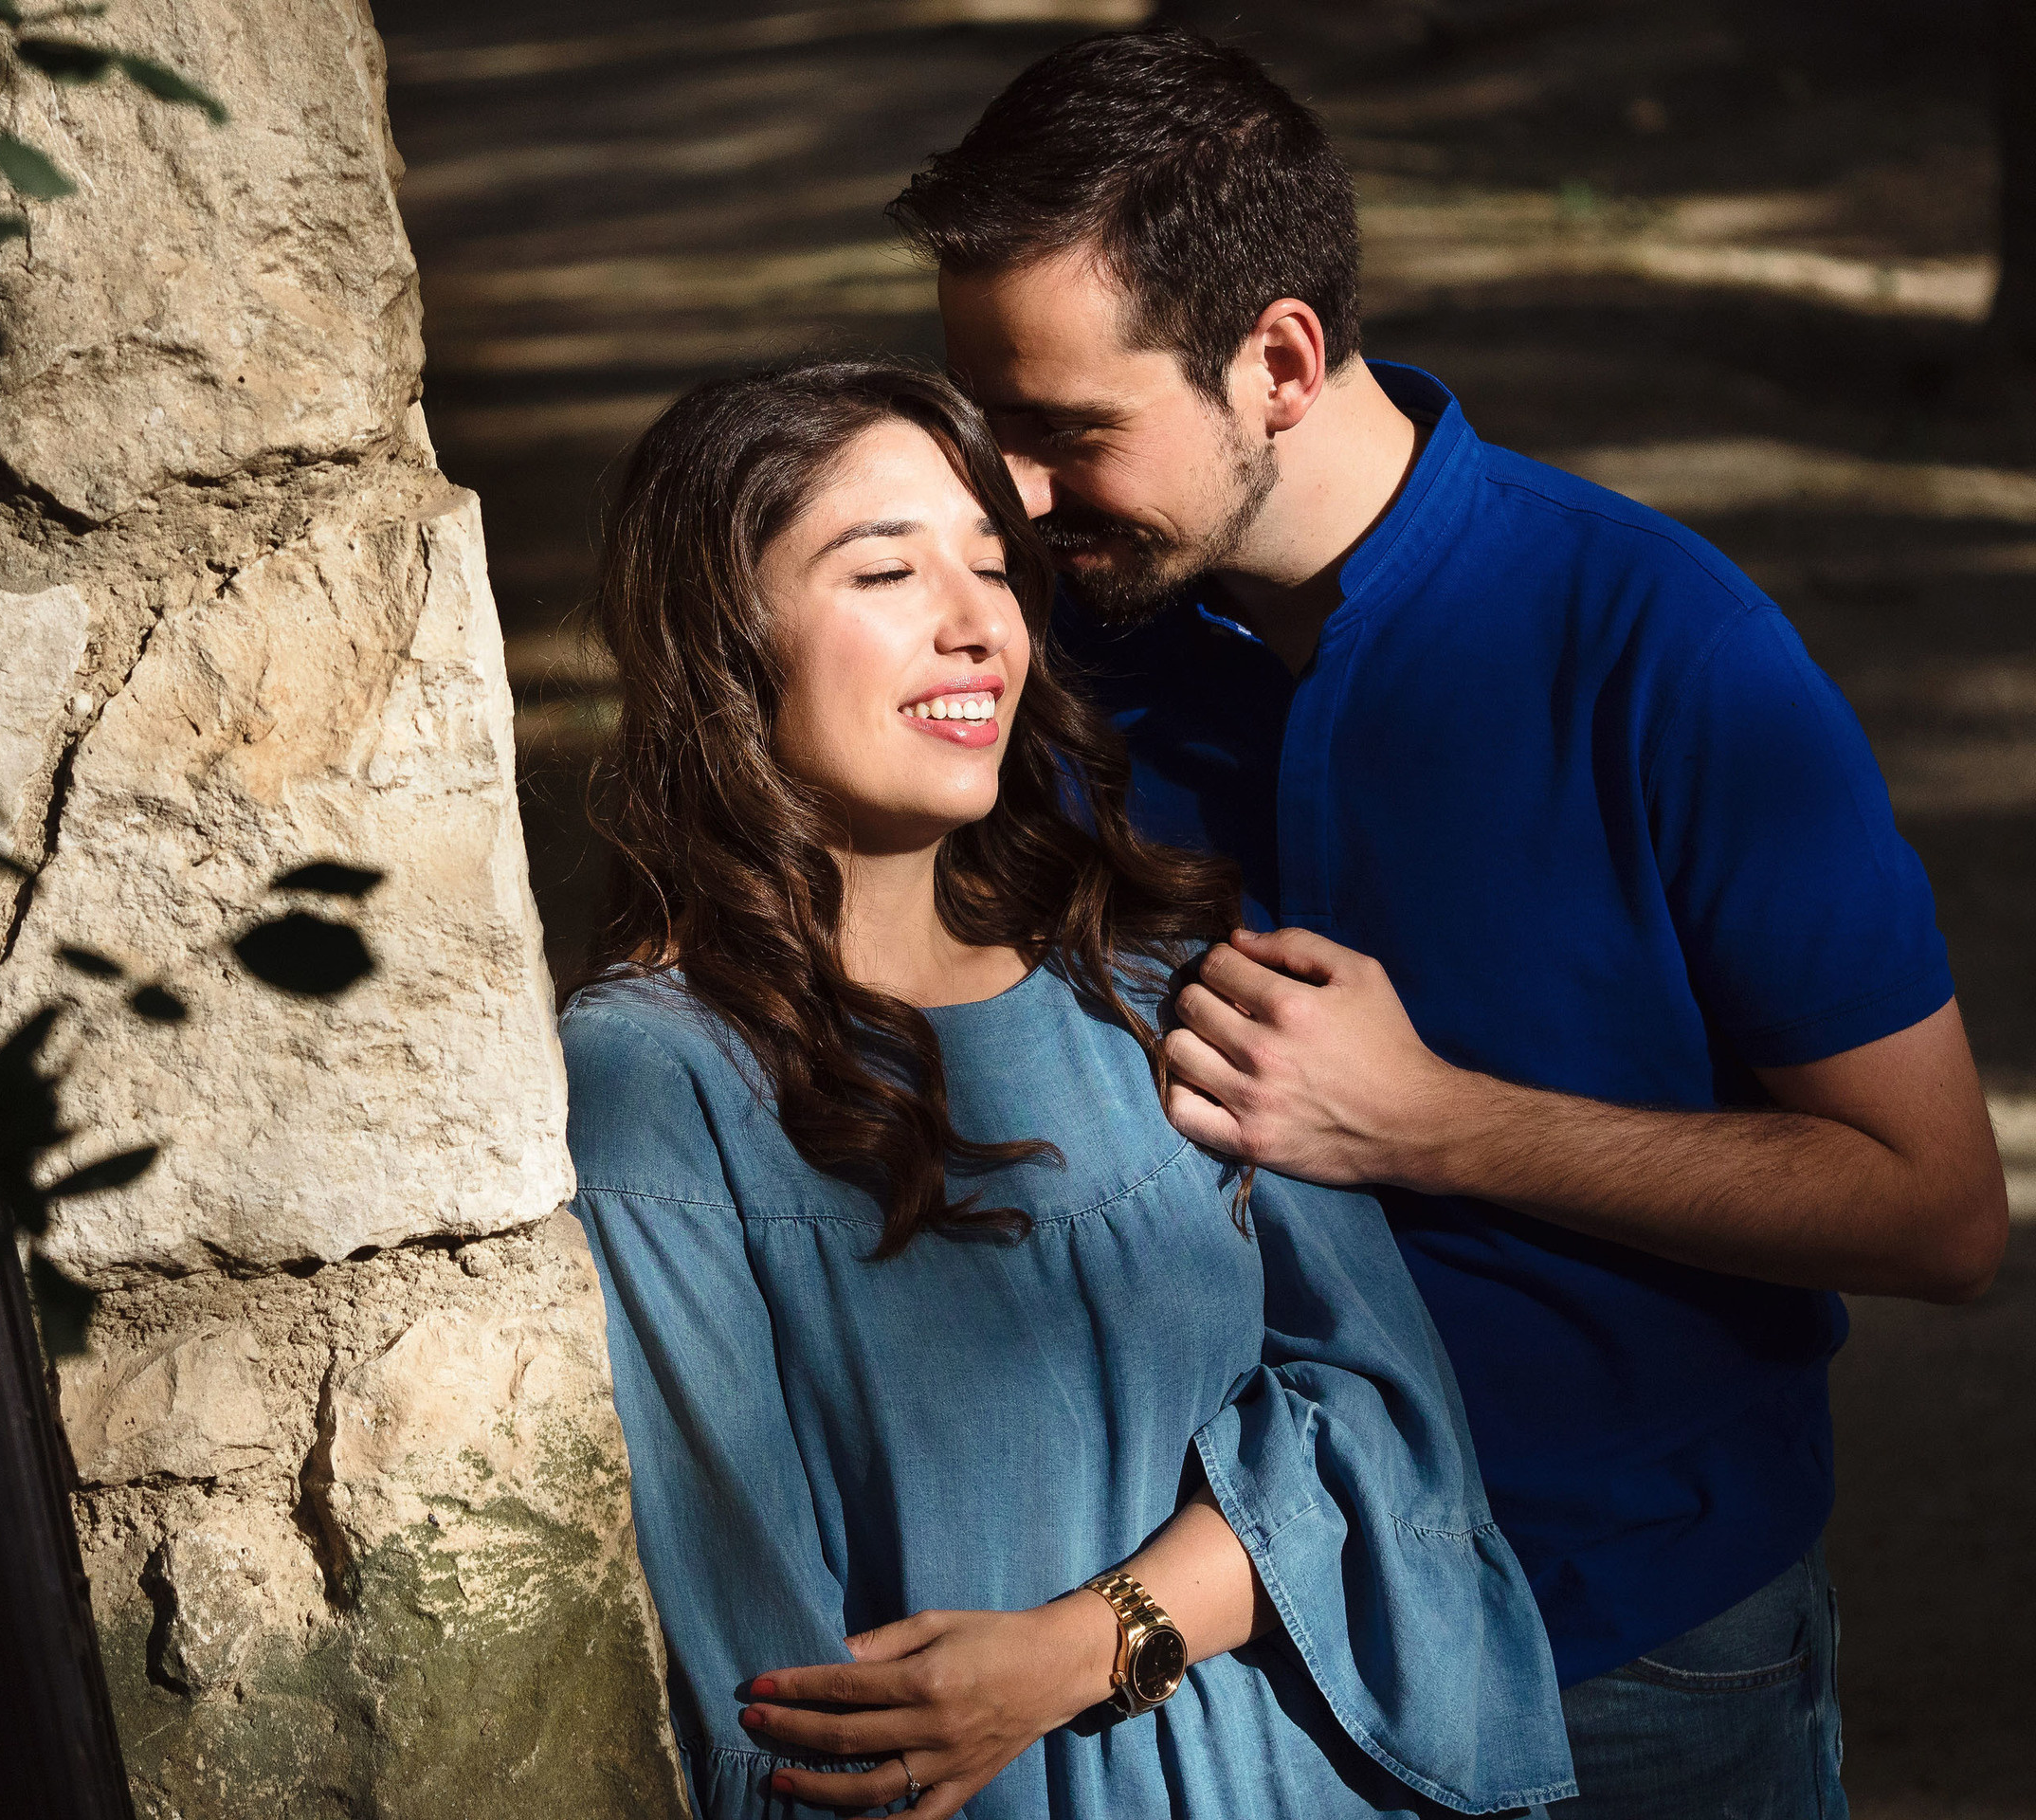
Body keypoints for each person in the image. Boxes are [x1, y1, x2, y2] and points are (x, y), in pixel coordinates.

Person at [893, 28, 2012, 1819]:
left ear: (1278, 361)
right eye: (986, 424)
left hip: (1632, 1655)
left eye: (1066, 429)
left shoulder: (1669, 650)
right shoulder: (1055, 649)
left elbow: (1940, 1209)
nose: (1011, 496)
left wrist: (1440, 1124)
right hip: (1206, 1656)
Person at [558, 362, 1573, 1817]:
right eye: (889, 570)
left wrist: (1073, 1650)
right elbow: (765, 1678)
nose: (978, 625)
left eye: (997, 569)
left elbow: (1384, 1426)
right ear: (723, 635)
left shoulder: (1152, 985)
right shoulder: (658, 1077)